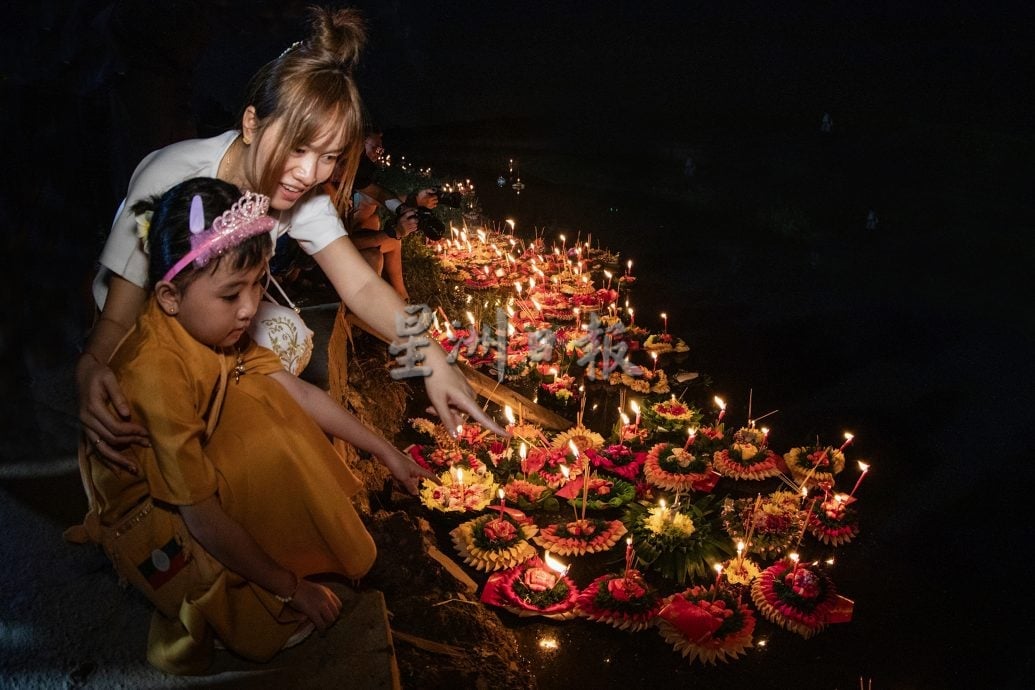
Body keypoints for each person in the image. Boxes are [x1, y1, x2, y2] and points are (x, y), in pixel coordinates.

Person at [77, 6, 504, 473]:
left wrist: (435, 360)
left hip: (214, 308)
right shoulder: (172, 177)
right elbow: (119, 311)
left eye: (329, 156)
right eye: (298, 148)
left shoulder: (303, 196)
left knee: (285, 342)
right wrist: (94, 365)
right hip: (145, 318)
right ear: (251, 123)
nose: (308, 173)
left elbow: (360, 287)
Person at [76, 177, 435, 674]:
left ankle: (291, 550)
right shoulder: (156, 374)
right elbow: (200, 515)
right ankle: (244, 594)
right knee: (246, 606)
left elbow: (299, 391)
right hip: (148, 509)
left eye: (259, 283)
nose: (249, 309)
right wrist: (290, 588)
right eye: (230, 295)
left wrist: (386, 451)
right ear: (169, 296)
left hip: (187, 465)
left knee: (268, 399)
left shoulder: (212, 333)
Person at [342, 126, 439, 301]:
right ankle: (370, 313)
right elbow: (341, 244)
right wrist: (393, 232)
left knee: (381, 229)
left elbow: (379, 193)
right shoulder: (327, 192)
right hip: (324, 259)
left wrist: (405, 207)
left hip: (347, 241)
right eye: (375, 147)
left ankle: (402, 297)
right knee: (374, 254)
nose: (378, 153)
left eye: (381, 149)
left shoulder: (357, 175)